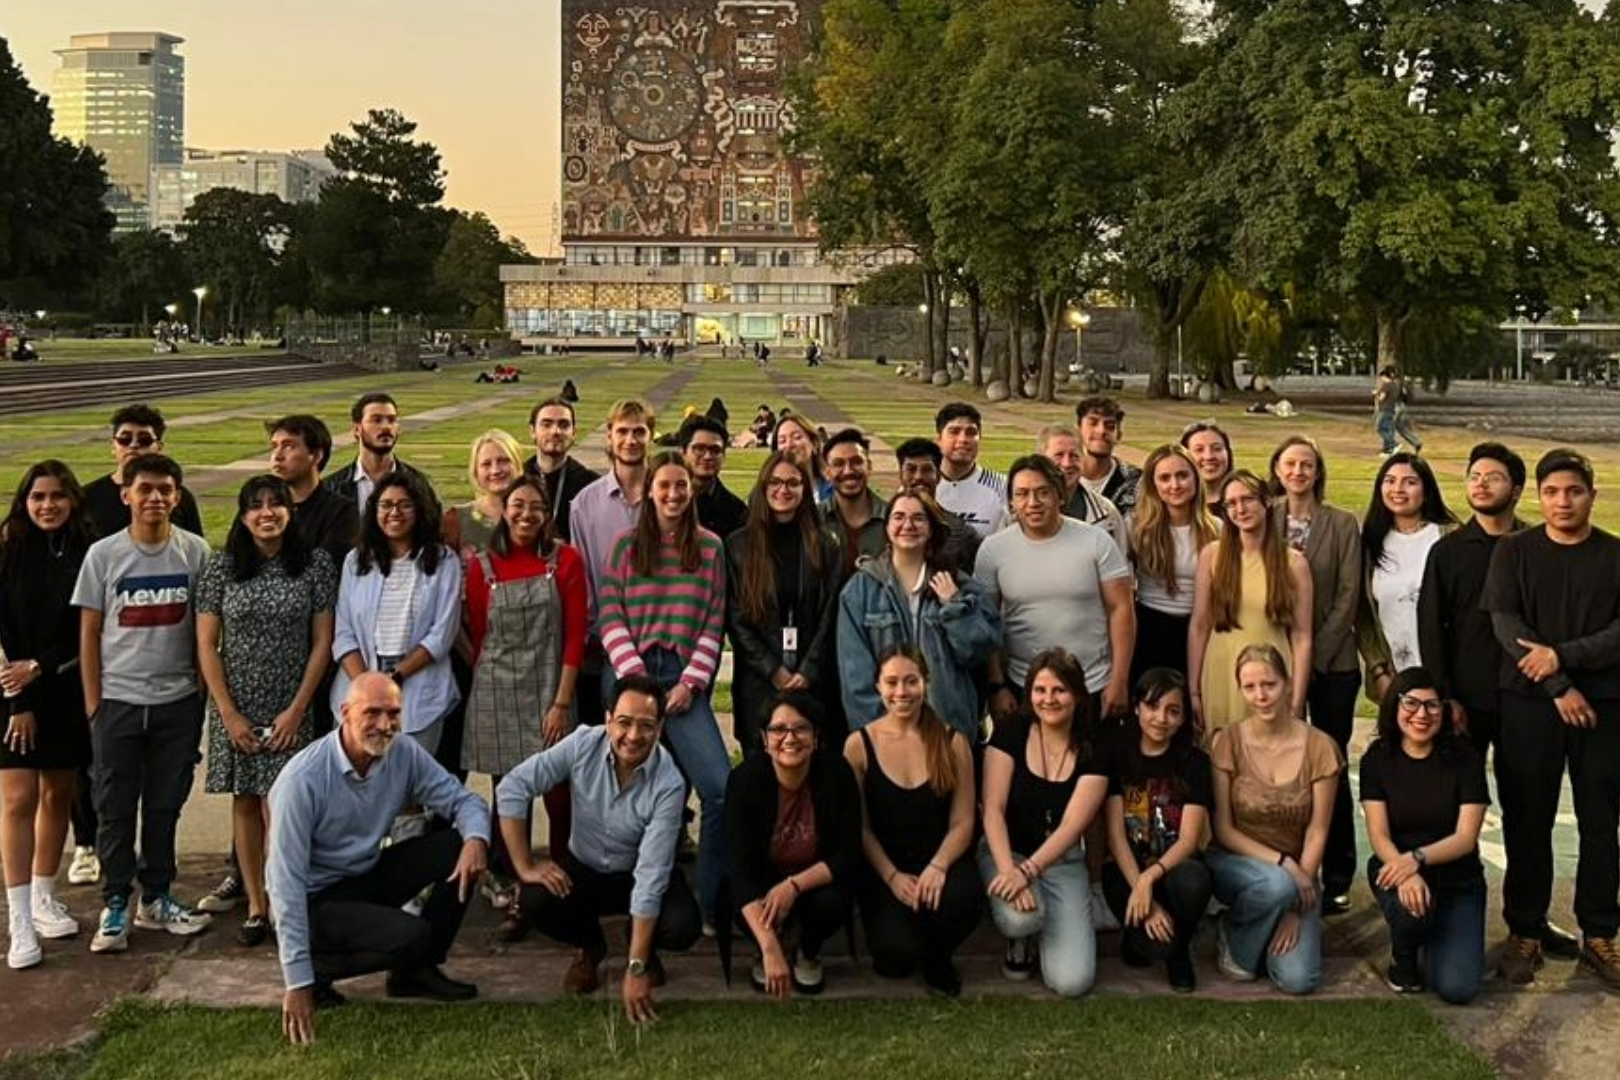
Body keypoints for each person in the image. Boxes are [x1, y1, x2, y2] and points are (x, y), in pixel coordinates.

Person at [268, 673, 490, 1046]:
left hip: (364, 873)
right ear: (345, 713)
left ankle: (415, 972)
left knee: (467, 842)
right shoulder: (302, 780)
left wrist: (475, 841)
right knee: (412, 933)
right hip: (315, 902)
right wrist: (298, 980)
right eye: (372, 713)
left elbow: (465, 801)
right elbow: (283, 882)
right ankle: (318, 972)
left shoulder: (402, 751)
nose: (384, 725)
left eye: (393, 713)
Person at [1484, 448, 1620, 988]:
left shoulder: (1613, 555)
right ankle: (1526, 929)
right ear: (1537, 497)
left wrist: (1564, 657)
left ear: (1592, 494)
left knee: (1599, 821)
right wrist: (1558, 684)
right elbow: (1505, 623)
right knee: (1527, 820)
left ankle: (1600, 934)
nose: (1563, 501)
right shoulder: (1514, 552)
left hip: (1603, 706)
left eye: (1574, 491)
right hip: (1529, 703)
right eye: (1552, 491)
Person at [495, 674, 701, 1020]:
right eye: (623, 722)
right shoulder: (582, 743)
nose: (633, 736)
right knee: (533, 898)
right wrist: (525, 865)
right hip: (584, 866)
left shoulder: (669, 782)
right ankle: (590, 946)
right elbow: (513, 787)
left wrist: (634, 968)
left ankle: (642, 945)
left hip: (636, 874)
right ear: (607, 720)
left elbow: (651, 877)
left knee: (682, 925)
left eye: (646, 725)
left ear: (660, 728)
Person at [73, 453, 214, 953]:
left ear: (177, 497)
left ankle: (156, 896)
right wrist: (95, 703)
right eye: (146, 489)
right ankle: (116, 901)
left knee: (163, 806)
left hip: (176, 702)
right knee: (113, 807)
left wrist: (198, 698)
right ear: (125, 495)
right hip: (119, 702)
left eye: (165, 490)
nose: (155, 498)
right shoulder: (104, 555)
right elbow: (89, 633)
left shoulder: (195, 553)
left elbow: (204, 632)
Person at [195, 476, 337, 947]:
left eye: (276, 504)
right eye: (255, 506)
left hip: (291, 702)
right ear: (242, 516)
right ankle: (257, 905)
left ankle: (285, 900)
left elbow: (323, 642)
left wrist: (297, 709)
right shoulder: (222, 567)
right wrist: (229, 715)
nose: (267, 513)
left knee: (288, 805)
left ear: (291, 512)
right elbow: (207, 646)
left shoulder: (314, 565)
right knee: (246, 800)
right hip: (236, 703)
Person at [597, 451, 729, 922]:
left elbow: (714, 623)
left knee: (718, 788)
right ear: (649, 491)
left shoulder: (710, 548)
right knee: (623, 786)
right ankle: (622, 893)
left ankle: (712, 903)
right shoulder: (625, 546)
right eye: (664, 486)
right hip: (632, 676)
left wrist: (692, 682)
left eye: (681, 486)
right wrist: (637, 683)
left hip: (683, 677)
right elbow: (610, 615)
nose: (673, 495)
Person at [461, 475, 586, 903]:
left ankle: (563, 875)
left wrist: (561, 702)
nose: (525, 513)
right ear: (504, 509)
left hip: (551, 689)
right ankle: (514, 881)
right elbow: (478, 634)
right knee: (508, 794)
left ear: (547, 514)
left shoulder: (565, 560)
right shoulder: (481, 566)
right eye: (517, 504)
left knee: (558, 793)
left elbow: (574, 636)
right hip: (498, 691)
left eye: (535, 506)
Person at [844, 646, 982, 996]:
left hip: (941, 858)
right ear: (877, 687)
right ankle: (910, 933)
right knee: (894, 958)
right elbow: (859, 828)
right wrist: (891, 877)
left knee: (962, 900)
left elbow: (964, 821)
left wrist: (938, 866)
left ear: (926, 683)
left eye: (911, 681)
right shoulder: (859, 745)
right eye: (891, 682)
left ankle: (939, 953)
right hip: (885, 866)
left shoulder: (953, 741)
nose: (901, 692)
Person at [1207, 644, 1343, 994]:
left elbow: (1318, 831)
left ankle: (1264, 929)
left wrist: (1297, 908)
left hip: (1300, 872)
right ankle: (1234, 930)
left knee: (1297, 980)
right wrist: (1286, 867)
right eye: (1250, 687)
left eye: (1269, 684)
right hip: (1236, 863)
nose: (1261, 696)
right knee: (1276, 885)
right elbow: (1223, 828)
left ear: (1288, 683)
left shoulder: (1320, 747)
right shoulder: (1228, 742)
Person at [1, 463, 94, 968]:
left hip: (63, 684)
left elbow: (86, 627)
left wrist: (41, 669)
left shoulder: (86, 550)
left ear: (72, 500)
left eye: (57, 496)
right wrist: (20, 699)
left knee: (59, 791)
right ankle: (18, 919)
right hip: (11, 689)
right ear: (25, 501)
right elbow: (4, 628)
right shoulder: (9, 547)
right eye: (38, 497)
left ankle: (43, 896)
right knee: (18, 797)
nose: (47, 506)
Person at [979, 649, 1110, 996]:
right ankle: (1020, 939)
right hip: (1008, 850)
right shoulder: (1010, 731)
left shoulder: (1093, 747)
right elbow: (992, 809)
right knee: (1021, 917)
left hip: (1062, 860)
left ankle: (1046, 931)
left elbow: (1071, 827)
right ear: (1029, 693)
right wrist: (1010, 870)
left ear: (1078, 696)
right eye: (1040, 690)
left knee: (1072, 982)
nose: (1048, 699)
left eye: (1059, 690)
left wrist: (1028, 873)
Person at [1269, 435, 1363, 914]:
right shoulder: (1264, 516)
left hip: (1331, 665)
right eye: (1290, 464)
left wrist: (1313, 655)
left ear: (1317, 472)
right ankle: (1278, 863)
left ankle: (1338, 870)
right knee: (1275, 766)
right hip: (1269, 665)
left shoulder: (1343, 524)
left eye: (1307, 464)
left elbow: (1349, 594)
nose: (1299, 471)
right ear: (1278, 470)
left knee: (1328, 765)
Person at [1360, 669, 1489, 1003]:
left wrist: (1415, 859)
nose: (1421, 715)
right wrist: (1405, 871)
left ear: (1444, 710)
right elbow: (1378, 833)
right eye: (1411, 704)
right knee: (1412, 913)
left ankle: (1433, 936)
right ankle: (1402, 956)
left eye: (1432, 706)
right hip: (1394, 869)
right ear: (1395, 706)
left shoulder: (1465, 758)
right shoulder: (1377, 759)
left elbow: (1465, 837)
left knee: (1457, 988)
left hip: (1458, 879)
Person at [976, 455, 1135, 722]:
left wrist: (1119, 680)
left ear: (1059, 495)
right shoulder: (993, 550)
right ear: (1011, 502)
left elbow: (1121, 609)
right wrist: (997, 686)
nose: (1033, 503)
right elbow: (987, 623)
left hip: (1092, 684)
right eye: (1022, 494)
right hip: (1024, 687)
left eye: (1042, 493)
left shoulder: (1096, 540)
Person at [725, 692, 862, 997]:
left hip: (812, 881)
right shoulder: (744, 781)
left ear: (815, 737)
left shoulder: (837, 773)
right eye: (778, 729)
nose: (790, 738)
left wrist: (793, 886)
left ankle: (808, 951)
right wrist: (770, 947)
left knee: (834, 899)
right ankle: (767, 948)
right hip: (763, 881)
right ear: (764, 738)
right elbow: (738, 868)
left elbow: (848, 855)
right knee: (742, 899)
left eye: (801, 728)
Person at [838, 488, 1002, 737]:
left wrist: (954, 607)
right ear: (887, 527)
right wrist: (880, 735)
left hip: (948, 730)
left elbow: (978, 652)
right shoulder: (860, 591)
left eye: (918, 518)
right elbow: (855, 676)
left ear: (932, 528)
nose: (908, 525)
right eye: (899, 517)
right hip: (886, 735)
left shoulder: (960, 585)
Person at [331, 471, 462, 756]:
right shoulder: (355, 561)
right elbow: (343, 633)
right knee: (358, 783)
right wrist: (366, 684)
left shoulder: (443, 561)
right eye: (386, 505)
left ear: (419, 509)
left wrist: (394, 678)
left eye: (405, 505)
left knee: (410, 787)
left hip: (417, 682)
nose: (395, 512)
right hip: (359, 675)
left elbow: (442, 633)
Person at [1101, 667, 1215, 992]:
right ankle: (1140, 937)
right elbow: (1115, 835)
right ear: (1137, 707)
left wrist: (1150, 879)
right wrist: (1140, 889)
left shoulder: (1194, 762)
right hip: (1125, 870)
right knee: (1152, 947)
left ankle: (1178, 955)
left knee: (1195, 879)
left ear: (1182, 719)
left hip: (1172, 869)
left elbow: (1190, 839)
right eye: (1152, 707)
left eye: (1172, 711)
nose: (1160, 718)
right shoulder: (1118, 753)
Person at [1418, 442, 1528, 764]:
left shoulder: (1534, 548)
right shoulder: (1447, 552)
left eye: (1493, 477)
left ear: (1517, 490)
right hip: (1466, 697)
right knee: (1460, 797)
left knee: (1526, 800)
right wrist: (1445, 697)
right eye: (1474, 476)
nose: (1481, 484)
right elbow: (1431, 626)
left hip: (1523, 695)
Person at [725, 453, 843, 751]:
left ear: (805, 489)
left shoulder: (825, 546)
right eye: (775, 482)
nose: (784, 490)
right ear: (763, 487)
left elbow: (831, 614)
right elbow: (736, 618)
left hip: (812, 679)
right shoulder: (739, 546)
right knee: (761, 762)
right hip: (758, 681)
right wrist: (772, 669)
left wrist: (808, 670)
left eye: (793, 482)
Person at [1189, 471, 1313, 736]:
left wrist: (1298, 699)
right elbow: (1200, 625)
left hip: (1271, 674)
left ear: (1266, 501)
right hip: (1221, 669)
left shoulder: (1293, 563)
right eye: (1231, 503)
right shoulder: (1212, 555)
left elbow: (1302, 636)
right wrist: (1194, 689)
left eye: (1247, 500)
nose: (1240, 509)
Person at [570, 398, 655, 734]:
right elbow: (585, 577)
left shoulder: (667, 494)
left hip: (660, 638)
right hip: (608, 644)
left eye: (639, 431)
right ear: (609, 436)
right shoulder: (584, 504)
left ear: (651, 435)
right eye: (623, 431)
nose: (631, 440)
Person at [1356, 453, 1457, 702]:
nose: (1398, 489)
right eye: (1389, 481)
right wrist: (1379, 671)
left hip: (1449, 675)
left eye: (1410, 482)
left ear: (1426, 489)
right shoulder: (1371, 542)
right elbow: (1363, 615)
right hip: (1395, 675)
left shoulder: (1448, 537)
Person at [1130, 444, 1219, 682]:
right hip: (1150, 628)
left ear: (1195, 478)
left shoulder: (1218, 529)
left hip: (1201, 629)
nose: (1175, 485)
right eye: (1165, 478)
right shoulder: (1136, 528)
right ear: (1153, 484)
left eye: (1182, 475)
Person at [82, 404, 205, 541]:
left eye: (144, 440)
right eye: (125, 439)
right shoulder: (86, 497)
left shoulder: (177, 497)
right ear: (113, 446)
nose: (133, 445)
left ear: (159, 447)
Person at [268, 414, 358, 564]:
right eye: (274, 446)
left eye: (288, 446)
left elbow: (325, 572)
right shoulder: (258, 508)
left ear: (316, 456)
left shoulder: (342, 513)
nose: (277, 456)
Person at [326, 393, 434, 514]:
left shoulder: (419, 483)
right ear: (357, 430)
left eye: (391, 420)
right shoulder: (331, 488)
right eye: (376, 420)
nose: (386, 427)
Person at [1036, 425, 1127, 556]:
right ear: (1040, 460)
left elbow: (1120, 567)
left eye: (1074, 456)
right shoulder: (1020, 511)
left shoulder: (1108, 514)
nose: (1067, 463)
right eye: (1058, 455)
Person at [893, 437, 979, 573]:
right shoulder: (884, 526)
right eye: (911, 469)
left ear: (938, 476)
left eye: (926, 470)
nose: (918, 477)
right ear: (900, 475)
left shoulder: (962, 534)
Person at [524, 396, 600, 544]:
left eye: (564, 425)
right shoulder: (517, 479)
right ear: (533, 431)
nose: (555, 431)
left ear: (573, 433)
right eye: (546, 424)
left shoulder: (591, 485)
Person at [821, 428, 889, 578]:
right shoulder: (812, 520)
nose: (848, 471)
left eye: (856, 462)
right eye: (838, 464)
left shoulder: (893, 520)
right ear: (827, 473)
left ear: (869, 467)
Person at [445, 429, 525, 556]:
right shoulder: (455, 520)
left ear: (518, 466)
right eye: (486, 464)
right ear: (476, 473)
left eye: (503, 461)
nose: (496, 470)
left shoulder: (535, 516)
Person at [933, 402, 1007, 539]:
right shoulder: (920, 486)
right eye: (954, 432)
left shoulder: (1003, 487)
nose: (963, 439)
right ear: (938, 439)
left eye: (971, 433)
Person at [1073, 396, 1143, 516]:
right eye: (1093, 423)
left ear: (1119, 435)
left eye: (1110, 425)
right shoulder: (1062, 480)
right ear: (1078, 430)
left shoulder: (1137, 482)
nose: (1101, 431)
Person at [682, 415, 747, 542]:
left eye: (715, 450)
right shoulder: (665, 504)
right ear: (683, 452)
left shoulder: (738, 512)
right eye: (699, 448)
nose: (707, 456)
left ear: (724, 456)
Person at [1179, 420, 1234, 518]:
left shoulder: (1247, 502)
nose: (1209, 456)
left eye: (1217, 448)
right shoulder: (1175, 505)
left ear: (1228, 454)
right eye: (1199, 450)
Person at [770, 413, 827, 502]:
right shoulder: (766, 492)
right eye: (782, 441)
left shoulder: (835, 489)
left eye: (797, 437)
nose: (789, 445)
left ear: (814, 444)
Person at [1373, 365, 1423, 455]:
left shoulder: (1393, 383)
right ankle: (1415, 443)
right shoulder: (1399, 382)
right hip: (1399, 406)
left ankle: (1391, 447)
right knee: (1399, 427)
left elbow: (1398, 395)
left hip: (1396, 406)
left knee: (1389, 427)